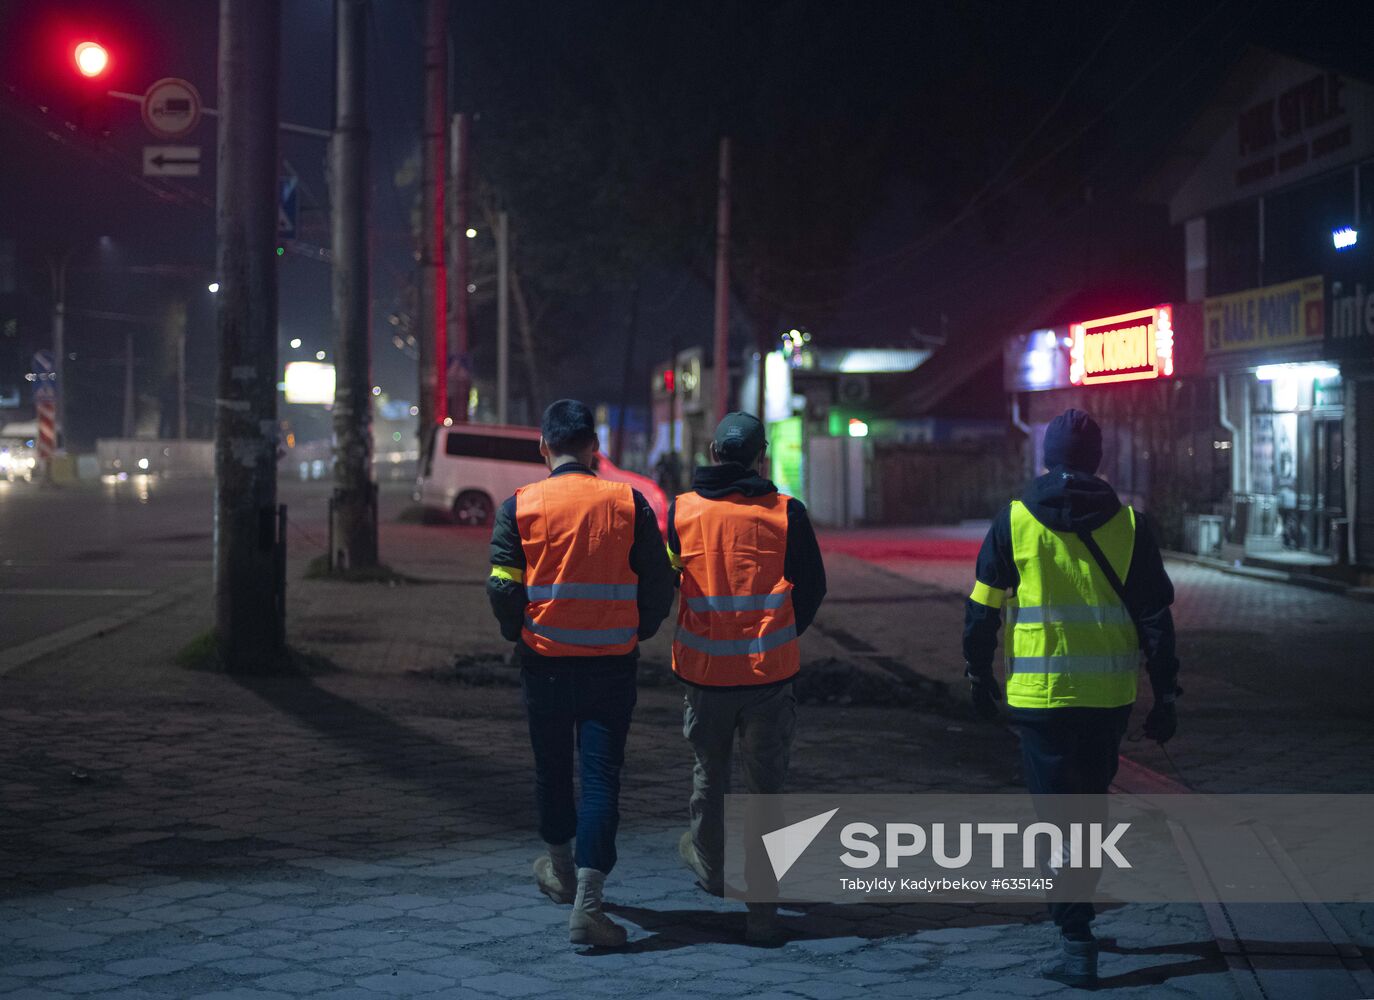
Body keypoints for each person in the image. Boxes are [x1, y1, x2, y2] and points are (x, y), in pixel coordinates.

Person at [963, 407, 1181, 987]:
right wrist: (1165, 696)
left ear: (1046, 457)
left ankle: (1077, 937)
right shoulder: (1131, 525)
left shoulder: (1013, 521)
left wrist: (976, 675)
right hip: (1108, 695)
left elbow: (981, 611)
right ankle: (1078, 914)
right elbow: (1156, 619)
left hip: (1040, 699)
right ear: (1099, 460)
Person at [487, 399, 675, 948]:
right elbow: (660, 578)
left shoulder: (519, 506)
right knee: (600, 778)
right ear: (594, 448)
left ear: (543, 447)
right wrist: (638, 628)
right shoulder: (628, 502)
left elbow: (502, 585)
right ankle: (589, 903)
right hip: (611, 665)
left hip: (543, 662)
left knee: (551, 769)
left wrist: (514, 631)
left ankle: (561, 871)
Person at [666, 412, 827, 944]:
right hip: (768, 676)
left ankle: (711, 869)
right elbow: (813, 587)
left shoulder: (683, 511)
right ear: (761, 457)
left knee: (709, 777)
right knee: (766, 794)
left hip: (705, 675)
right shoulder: (787, 514)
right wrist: (781, 631)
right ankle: (762, 913)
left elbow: (672, 581)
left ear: (714, 452)